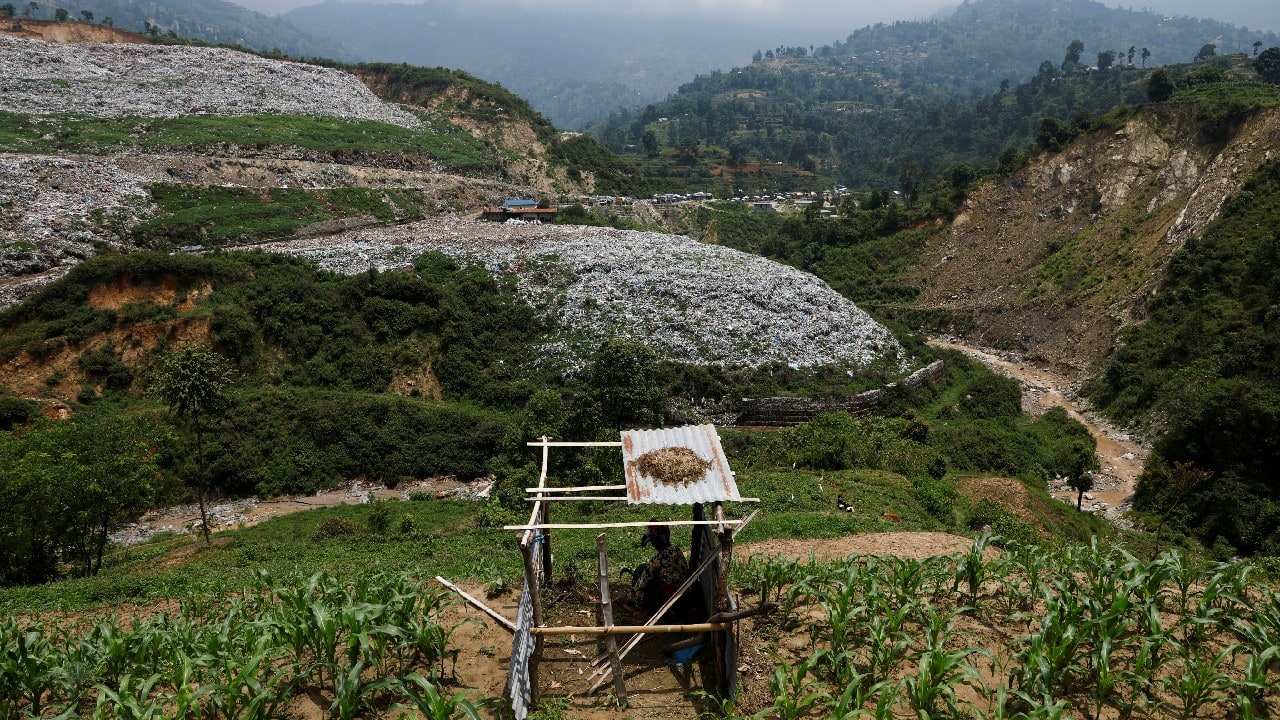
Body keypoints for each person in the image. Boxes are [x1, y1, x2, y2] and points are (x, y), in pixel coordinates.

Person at [629, 523, 690, 615]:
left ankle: (646, 609)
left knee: (646, 578)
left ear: (657, 542)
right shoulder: (676, 549)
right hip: (684, 590)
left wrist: (631, 596)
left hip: (670, 595)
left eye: (653, 542)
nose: (653, 545)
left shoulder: (658, 560)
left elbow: (642, 582)